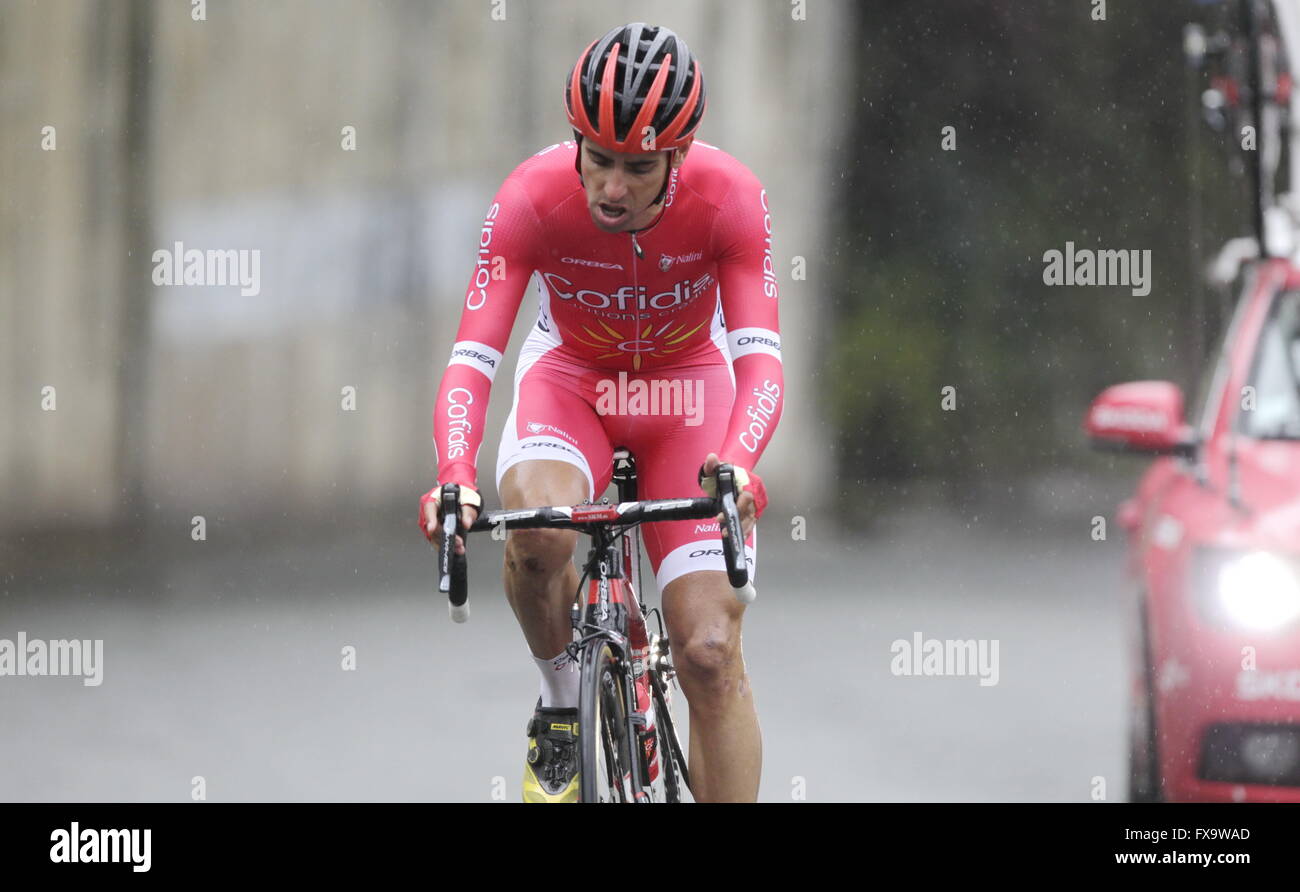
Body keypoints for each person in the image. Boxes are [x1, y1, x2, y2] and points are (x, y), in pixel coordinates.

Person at [419, 22, 783, 803]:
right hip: (573, 378)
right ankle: (559, 703)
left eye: (639, 167)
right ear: (574, 140)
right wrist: (454, 473)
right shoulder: (530, 198)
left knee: (710, 651)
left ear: (677, 159)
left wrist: (742, 460)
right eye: (598, 158)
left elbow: (760, 362)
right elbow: (473, 355)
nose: (612, 187)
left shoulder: (732, 199)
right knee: (538, 528)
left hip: (688, 391)